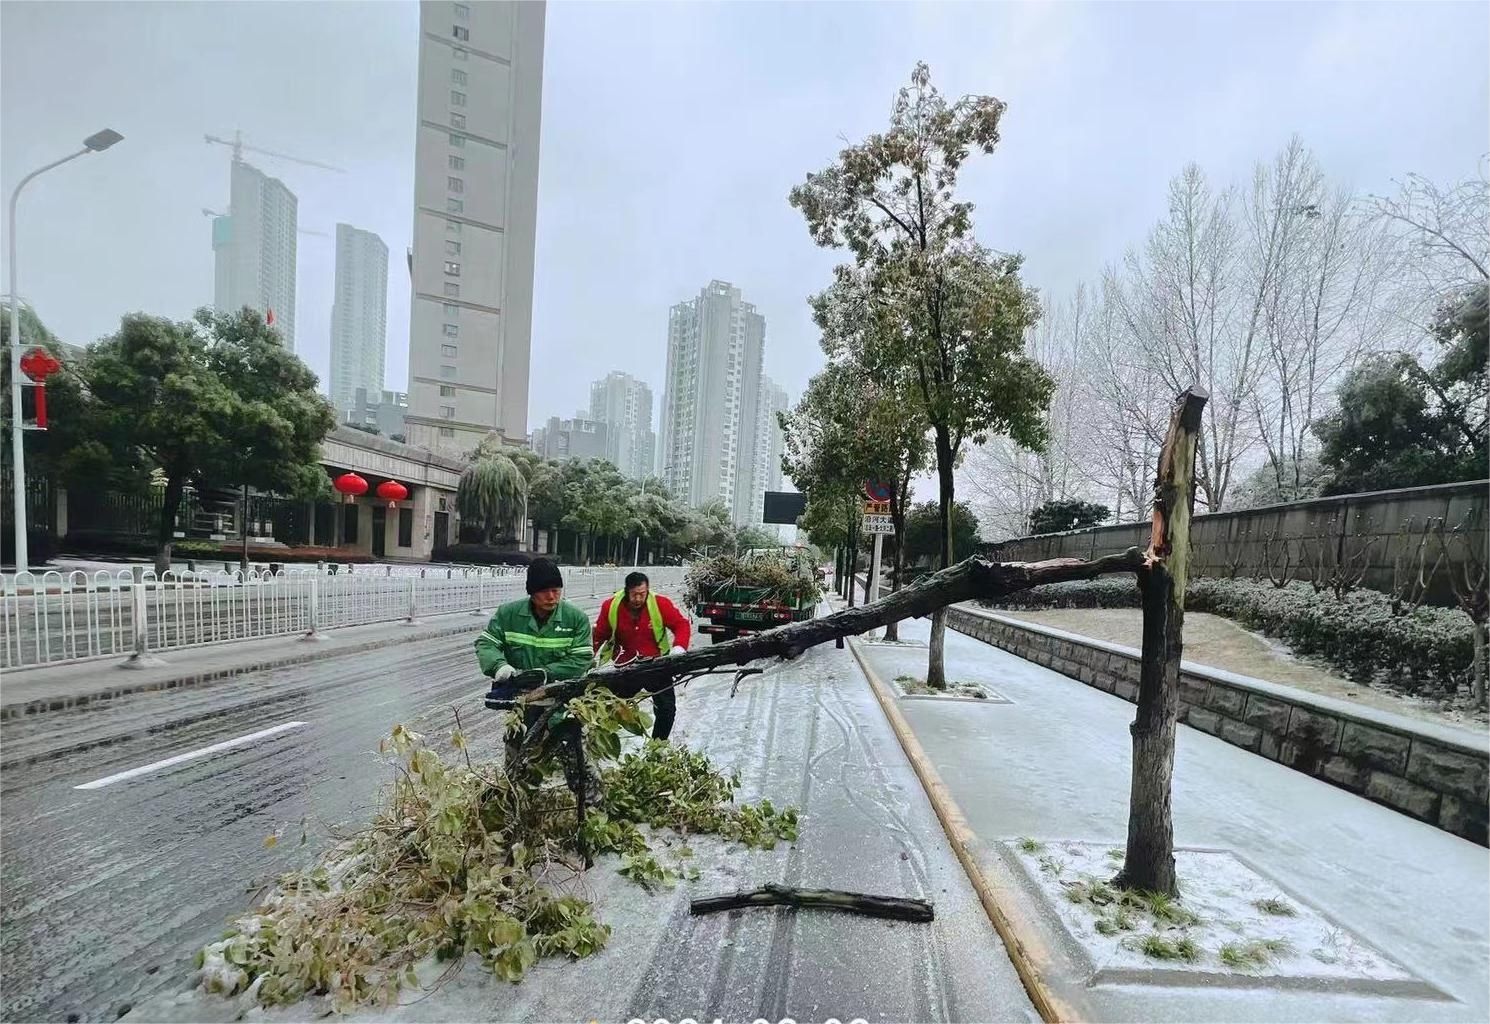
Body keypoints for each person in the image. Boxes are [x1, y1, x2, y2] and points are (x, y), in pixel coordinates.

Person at [476, 558, 598, 788]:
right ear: (532, 592)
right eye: (544, 591)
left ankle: (591, 811)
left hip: (562, 706)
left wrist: (545, 673)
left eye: (556, 590)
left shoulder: (575, 619)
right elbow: (486, 644)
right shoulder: (508, 615)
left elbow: (582, 658)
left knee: (580, 768)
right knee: (519, 769)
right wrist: (499, 666)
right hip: (523, 707)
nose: (551, 596)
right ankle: (520, 810)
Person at [592, 571, 691, 741]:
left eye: (642, 594)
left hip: (657, 665)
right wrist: (589, 660)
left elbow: (681, 625)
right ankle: (602, 743)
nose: (638, 599)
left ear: (647, 591)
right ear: (626, 592)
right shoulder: (611, 606)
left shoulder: (660, 604)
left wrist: (679, 647)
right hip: (626, 668)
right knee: (610, 709)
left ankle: (657, 746)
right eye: (634, 595)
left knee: (666, 709)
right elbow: (599, 634)